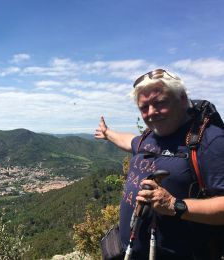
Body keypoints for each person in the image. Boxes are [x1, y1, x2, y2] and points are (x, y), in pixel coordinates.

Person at [95, 69, 224, 259]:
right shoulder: (149, 137)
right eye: (144, 107)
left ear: (182, 98)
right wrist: (107, 134)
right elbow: (130, 141)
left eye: (160, 103)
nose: (151, 112)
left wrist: (174, 205)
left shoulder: (209, 141)